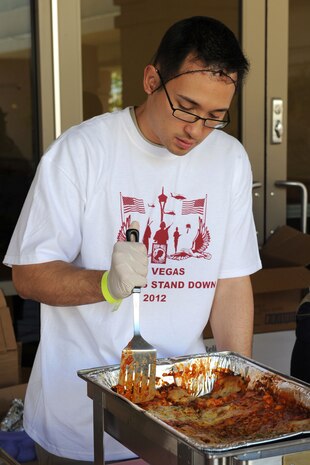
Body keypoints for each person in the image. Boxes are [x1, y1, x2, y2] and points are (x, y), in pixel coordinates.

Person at [3, 16, 261, 464]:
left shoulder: (229, 160)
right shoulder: (81, 152)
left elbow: (232, 281)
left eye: (215, 117)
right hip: (81, 422)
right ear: (150, 79)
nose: (196, 130)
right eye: (186, 107)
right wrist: (105, 284)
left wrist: (237, 390)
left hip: (184, 417)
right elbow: (28, 276)